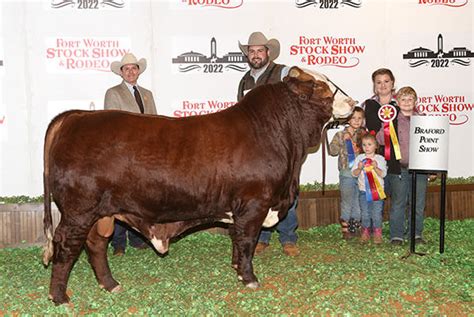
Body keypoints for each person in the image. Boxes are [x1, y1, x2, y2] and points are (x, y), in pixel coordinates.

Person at [237, 31, 298, 256]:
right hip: (255, 146)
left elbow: (296, 88)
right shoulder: (245, 80)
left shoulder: (282, 72)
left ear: (268, 52)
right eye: (251, 51)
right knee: (260, 192)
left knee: (285, 189)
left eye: (259, 50)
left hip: (280, 142)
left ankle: (288, 237)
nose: (255, 55)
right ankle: (263, 237)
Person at [104, 53, 157, 255]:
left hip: (145, 154)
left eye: (134, 68)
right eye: (126, 69)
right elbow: (111, 125)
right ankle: (118, 242)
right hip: (123, 154)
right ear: (121, 72)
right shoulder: (113, 93)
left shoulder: (147, 94)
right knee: (120, 198)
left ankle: (137, 237)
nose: (131, 71)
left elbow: (155, 122)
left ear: (138, 71)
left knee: (140, 197)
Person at [376, 87, 430, 245]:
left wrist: (432, 168)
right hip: (398, 168)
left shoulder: (424, 120)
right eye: (403, 100)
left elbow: (432, 145)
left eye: (410, 99)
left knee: (418, 203)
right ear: (397, 102)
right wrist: (385, 126)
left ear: (415, 101)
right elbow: (380, 141)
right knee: (399, 202)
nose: (407, 102)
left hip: (420, 169)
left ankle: (416, 234)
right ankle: (397, 235)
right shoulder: (391, 119)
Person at [329, 107, 366, 239]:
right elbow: (332, 151)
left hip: (361, 173)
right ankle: (345, 229)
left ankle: (354, 227)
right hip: (346, 173)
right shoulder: (340, 134)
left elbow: (370, 149)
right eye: (353, 118)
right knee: (347, 200)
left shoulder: (364, 134)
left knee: (358, 201)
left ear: (363, 120)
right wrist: (341, 141)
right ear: (348, 119)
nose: (356, 121)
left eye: (359, 118)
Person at [352, 133, 387, 244]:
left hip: (377, 192)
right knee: (365, 213)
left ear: (376, 146)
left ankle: (377, 233)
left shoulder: (380, 159)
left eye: (369, 144)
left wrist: (376, 167)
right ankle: (365, 232)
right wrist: (359, 168)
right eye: (364, 145)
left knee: (376, 213)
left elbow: (383, 174)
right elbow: (354, 174)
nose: (366, 147)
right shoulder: (359, 158)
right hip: (363, 191)